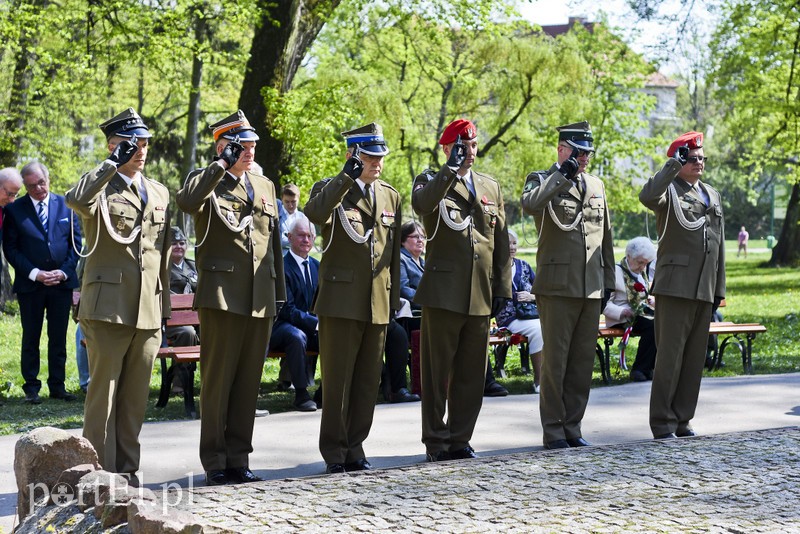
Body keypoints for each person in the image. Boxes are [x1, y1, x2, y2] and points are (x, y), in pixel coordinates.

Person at [176, 110, 286, 486]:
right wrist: (220, 166)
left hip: (260, 295)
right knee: (219, 380)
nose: (250, 152)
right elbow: (188, 202)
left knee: (247, 382)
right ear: (224, 146)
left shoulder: (265, 186)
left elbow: (273, 245)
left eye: (253, 145)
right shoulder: (207, 180)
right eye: (243, 146)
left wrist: (279, 293)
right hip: (222, 295)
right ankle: (215, 460)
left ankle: (239, 458)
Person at [66, 108, 172, 481]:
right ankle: (95, 474)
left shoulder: (159, 191)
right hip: (108, 307)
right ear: (114, 146)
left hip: (146, 309)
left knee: (134, 399)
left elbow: (161, 254)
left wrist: (164, 307)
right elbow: (76, 200)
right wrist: (111, 163)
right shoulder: (100, 185)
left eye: (143, 143)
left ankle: (127, 472)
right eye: (132, 144)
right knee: (103, 396)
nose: (140, 150)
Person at [412, 118, 512, 462]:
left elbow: (500, 243)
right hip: (443, 291)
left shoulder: (490, 187)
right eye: (460, 146)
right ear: (446, 148)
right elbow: (423, 206)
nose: (468, 152)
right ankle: (436, 442)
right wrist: (450, 169)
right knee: (437, 373)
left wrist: (504, 288)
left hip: (481, 293)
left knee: (471, 374)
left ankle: (460, 439)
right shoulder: (431, 180)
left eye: (471, 146)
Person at [304, 122, 401, 474]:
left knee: (366, 380)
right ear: (352, 155)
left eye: (380, 156)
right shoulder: (331, 189)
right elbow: (314, 214)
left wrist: (392, 301)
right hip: (341, 301)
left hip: (377, 301)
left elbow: (393, 257)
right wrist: (345, 178)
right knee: (339, 381)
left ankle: (355, 445)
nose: (377, 162)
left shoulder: (390, 196)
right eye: (370, 156)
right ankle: (334, 450)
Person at [520, 121, 615, 450]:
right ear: (563, 149)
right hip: (557, 286)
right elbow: (530, 204)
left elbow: (606, 238)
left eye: (588, 152)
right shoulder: (542, 179)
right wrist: (562, 174)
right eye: (580, 151)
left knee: (581, 361)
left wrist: (610, 283)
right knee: (556, 361)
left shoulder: (597, 185)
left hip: (591, 286)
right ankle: (553, 429)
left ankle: (573, 426)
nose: (585, 158)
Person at [639, 131, 725, 440]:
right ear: (679, 160)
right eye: (692, 158)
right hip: (674, 286)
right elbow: (647, 197)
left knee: (693, 359)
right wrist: (670, 168)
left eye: (702, 158)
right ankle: (662, 422)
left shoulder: (711, 195)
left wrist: (719, 290)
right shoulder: (669, 190)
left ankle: (683, 419)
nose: (699, 162)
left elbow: (719, 247)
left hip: (704, 287)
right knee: (670, 357)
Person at [3, 161, 82, 404]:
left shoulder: (66, 206)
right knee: (31, 337)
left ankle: (57, 386)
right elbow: (11, 249)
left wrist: (64, 272)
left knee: (58, 337)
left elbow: (76, 246)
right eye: (31, 185)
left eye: (41, 182)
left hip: (61, 284)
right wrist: (35, 273)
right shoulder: (15, 210)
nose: (38, 188)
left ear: (48, 179)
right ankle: (31, 387)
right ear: (25, 187)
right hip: (31, 286)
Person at [268, 213, 320, 412]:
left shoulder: (317, 267)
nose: (306, 240)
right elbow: (286, 308)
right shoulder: (280, 267)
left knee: (335, 337)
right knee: (296, 336)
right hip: (281, 326)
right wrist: (314, 323)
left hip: (310, 325)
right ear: (289, 238)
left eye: (309, 236)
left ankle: (325, 392)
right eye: (300, 235)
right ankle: (301, 395)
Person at [493, 229, 544, 393]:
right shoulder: (494, 268)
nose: (512, 247)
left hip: (530, 314)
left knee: (550, 326)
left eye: (514, 243)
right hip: (509, 318)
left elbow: (540, 291)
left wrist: (531, 296)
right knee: (538, 330)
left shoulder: (525, 266)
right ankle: (539, 381)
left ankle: (556, 377)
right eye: (508, 243)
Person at [603, 237, 658, 382]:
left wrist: (651, 300)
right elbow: (605, 305)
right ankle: (639, 369)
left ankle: (649, 368)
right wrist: (623, 312)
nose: (642, 267)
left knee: (662, 324)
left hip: (640, 315)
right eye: (640, 262)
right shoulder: (615, 272)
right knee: (652, 326)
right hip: (620, 317)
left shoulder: (642, 273)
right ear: (628, 256)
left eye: (645, 263)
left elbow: (644, 296)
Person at [279, 183, 302, 252]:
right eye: (287, 202)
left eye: (293, 202)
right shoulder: (276, 215)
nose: (290, 205)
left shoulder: (303, 218)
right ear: (282, 199)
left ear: (298, 198)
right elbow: (278, 240)